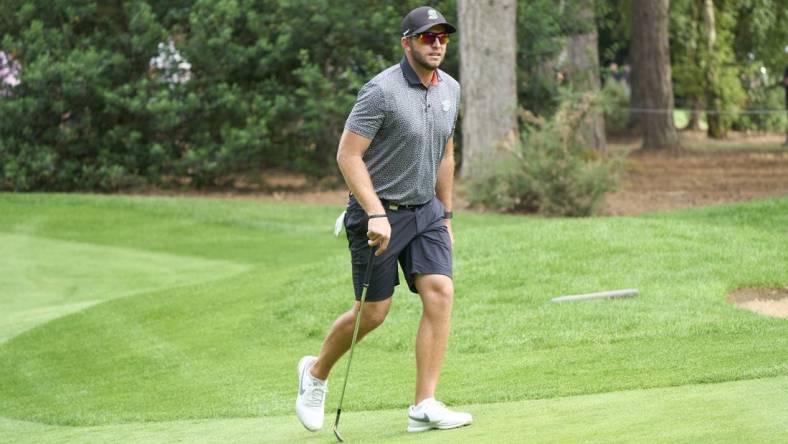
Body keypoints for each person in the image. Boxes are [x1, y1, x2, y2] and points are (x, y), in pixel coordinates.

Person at [295, 5, 471, 434]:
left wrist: (445, 213)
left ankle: (423, 405)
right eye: (427, 37)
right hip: (377, 214)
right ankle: (315, 373)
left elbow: (446, 155)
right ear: (406, 43)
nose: (436, 44)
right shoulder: (381, 91)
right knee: (373, 312)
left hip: (425, 211)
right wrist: (374, 212)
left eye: (442, 37)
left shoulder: (450, 88)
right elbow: (347, 155)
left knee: (440, 293)